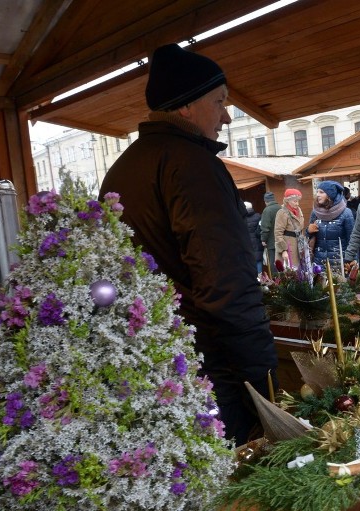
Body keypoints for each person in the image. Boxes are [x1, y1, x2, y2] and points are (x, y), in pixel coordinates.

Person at [99, 43, 277, 444]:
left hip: (150, 364)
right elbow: (225, 282)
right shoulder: (193, 166)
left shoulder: (123, 169)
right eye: (218, 102)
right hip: (207, 368)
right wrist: (265, 382)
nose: (227, 116)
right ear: (185, 107)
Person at [308, 181, 354, 272]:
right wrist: (308, 231)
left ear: (330, 195)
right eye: (317, 192)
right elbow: (310, 237)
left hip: (339, 263)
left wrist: (352, 261)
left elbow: (352, 240)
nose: (318, 195)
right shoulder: (315, 212)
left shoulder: (346, 213)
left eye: (321, 192)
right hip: (319, 263)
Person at [274, 188, 307, 269]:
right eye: (295, 201)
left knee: (300, 272)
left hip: (299, 246)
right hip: (288, 247)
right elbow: (278, 233)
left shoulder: (299, 211)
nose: (297, 204)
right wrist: (283, 250)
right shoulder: (282, 213)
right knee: (290, 273)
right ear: (287, 201)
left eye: (298, 201)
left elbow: (300, 229)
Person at [259, 191, 281, 274]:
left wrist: (263, 239)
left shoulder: (267, 210)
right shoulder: (281, 208)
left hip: (272, 242)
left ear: (265, 201)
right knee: (282, 262)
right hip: (282, 241)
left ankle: (276, 283)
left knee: (273, 263)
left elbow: (265, 227)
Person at [244, 201, 263, 275]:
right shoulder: (258, 216)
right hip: (257, 243)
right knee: (258, 261)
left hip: (247, 244)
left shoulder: (242, 218)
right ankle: (261, 280)